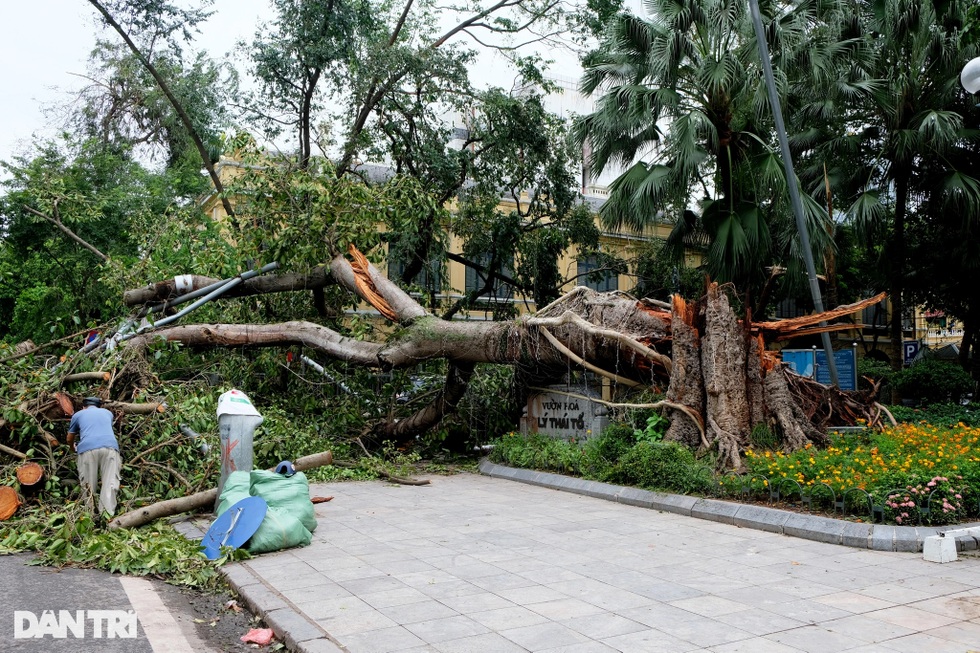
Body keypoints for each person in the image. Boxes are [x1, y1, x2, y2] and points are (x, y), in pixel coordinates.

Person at [66, 397, 121, 516]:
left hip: (87, 449)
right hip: (110, 447)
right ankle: (107, 515)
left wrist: (72, 448)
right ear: (99, 406)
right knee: (110, 482)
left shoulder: (78, 415)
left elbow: (69, 438)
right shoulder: (108, 413)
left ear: (83, 407)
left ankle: (89, 515)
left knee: (88, 483)